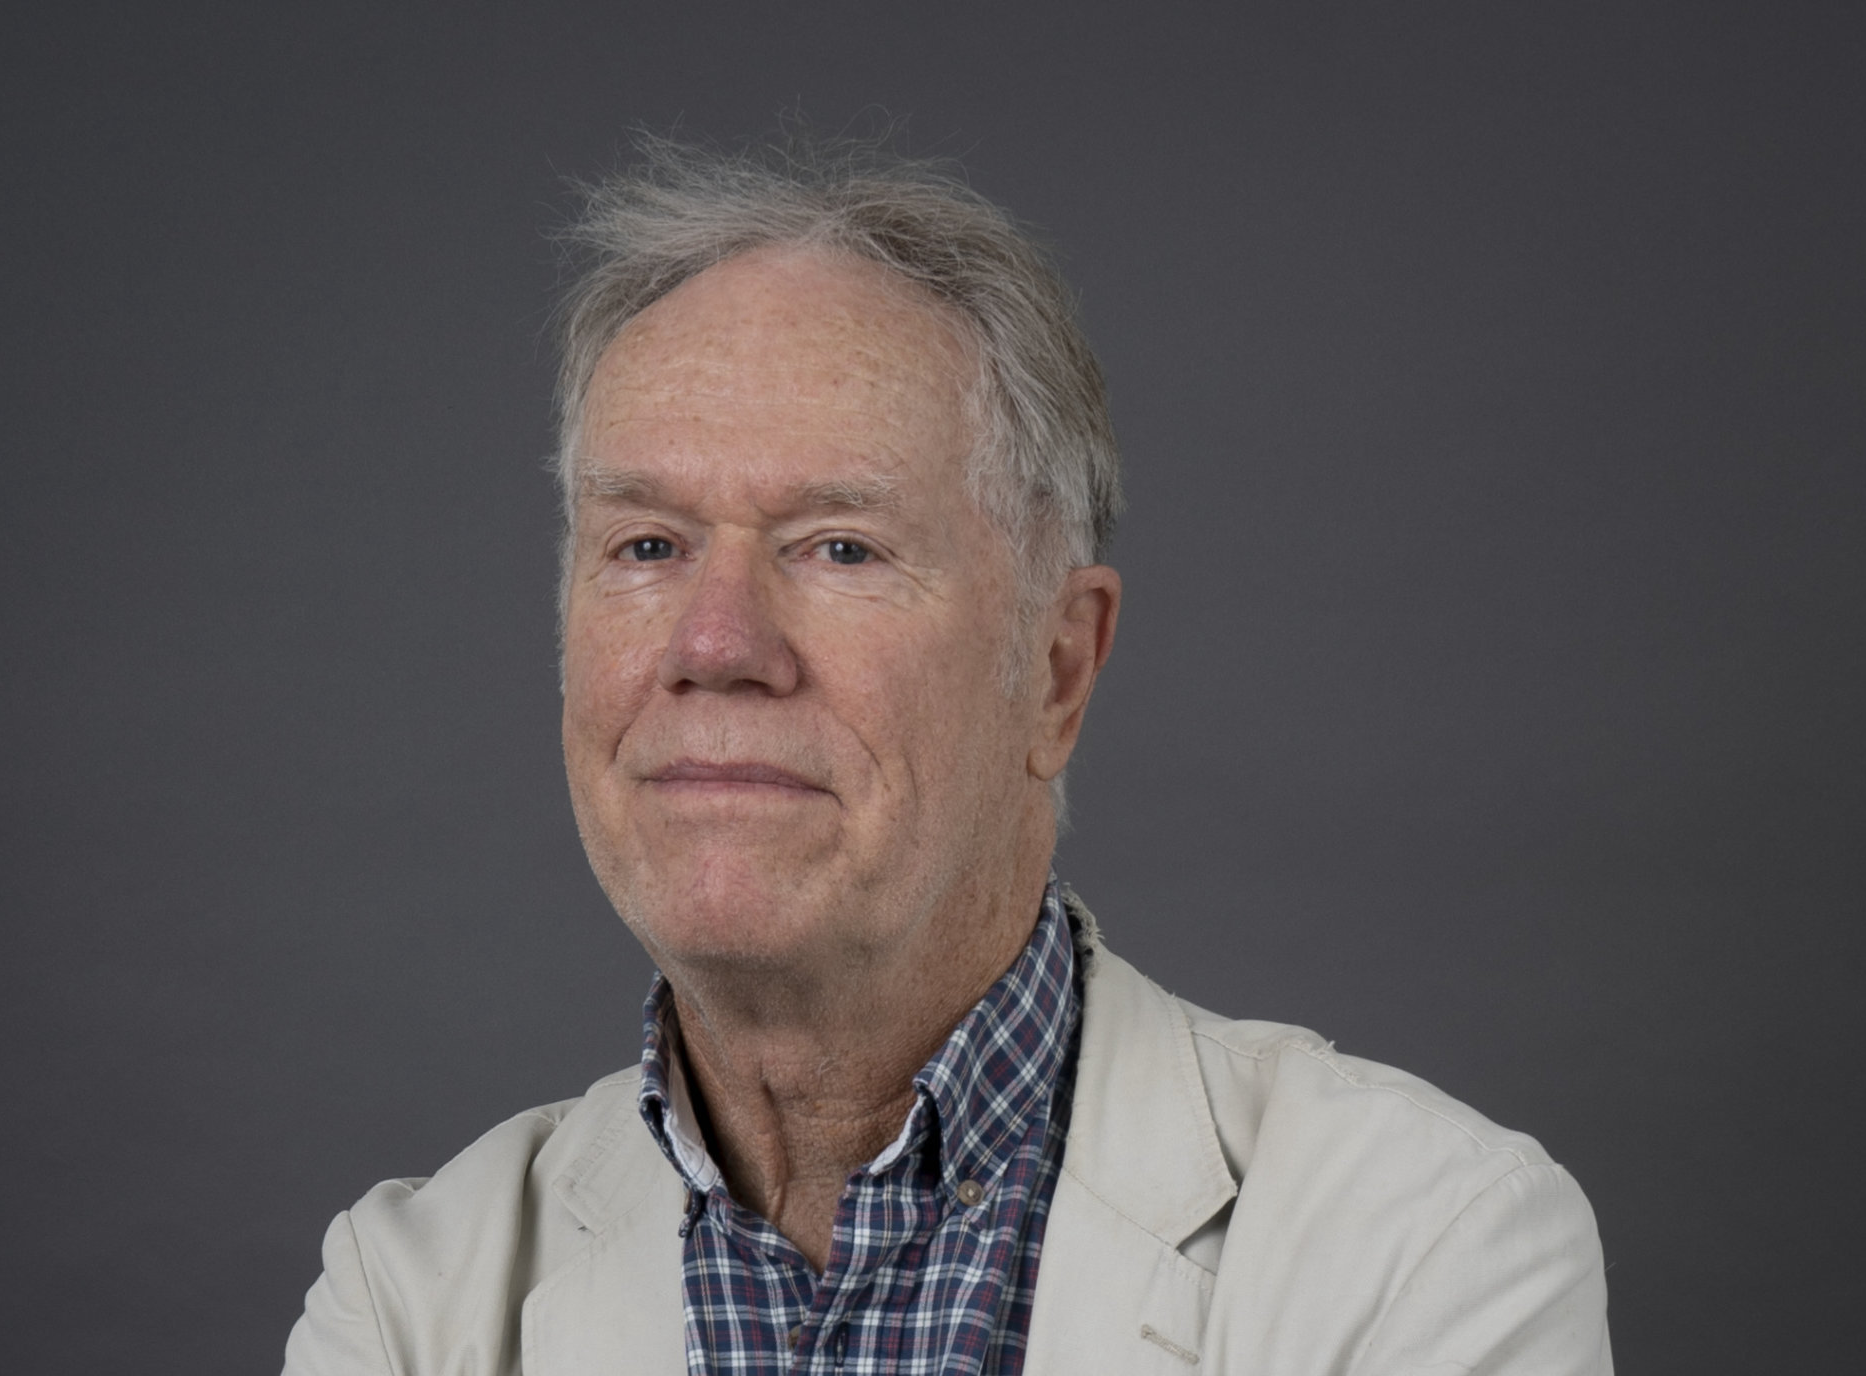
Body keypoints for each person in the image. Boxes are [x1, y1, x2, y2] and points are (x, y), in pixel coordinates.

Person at [282, 134, 1612, 1375]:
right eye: (646, 546)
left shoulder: (1427, 1244)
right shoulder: (409, 1300)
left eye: (840, 547)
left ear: (1056, 667)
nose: (717, 640)